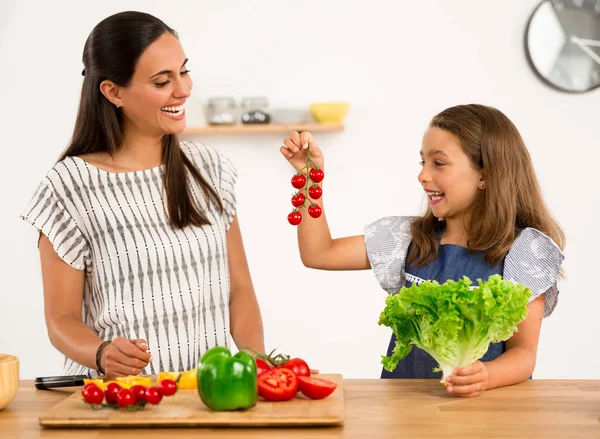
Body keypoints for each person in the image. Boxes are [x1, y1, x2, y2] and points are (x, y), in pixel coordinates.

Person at [20, 11, 265, 378]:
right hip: (117, 403)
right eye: (162, 81)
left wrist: (258, 371)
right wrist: (102, 353)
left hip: (205, 397)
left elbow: (239, 290)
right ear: (113, 91)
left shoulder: (209, 169)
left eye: (184, 71)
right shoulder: (68, 187)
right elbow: (61, 319)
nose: (183, 90)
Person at [280, 104, 565, 398]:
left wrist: (487, 375)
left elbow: (524, 353)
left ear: (485, 175)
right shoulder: (408, 240)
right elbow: (318, 253)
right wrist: (310, 176)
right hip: (407, 413)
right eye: (422, 162)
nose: (423, 176)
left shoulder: (524, 253)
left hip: (484, 417)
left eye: (438, 163)